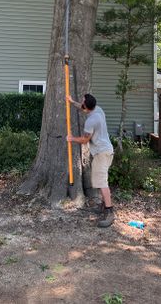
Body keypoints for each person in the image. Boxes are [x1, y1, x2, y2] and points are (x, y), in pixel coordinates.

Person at [67, 93, 115, 228]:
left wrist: (71, 139)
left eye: (82, 102)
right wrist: (72, 102)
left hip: (102, 154)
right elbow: (82, 108)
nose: (81, 103)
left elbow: (84, 140)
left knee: (102, 182)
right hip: (106, 151)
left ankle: (110, 212)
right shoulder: (98, 110)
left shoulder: (90, 121)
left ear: (86, 107)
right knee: (100, 181)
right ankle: (103, 206)